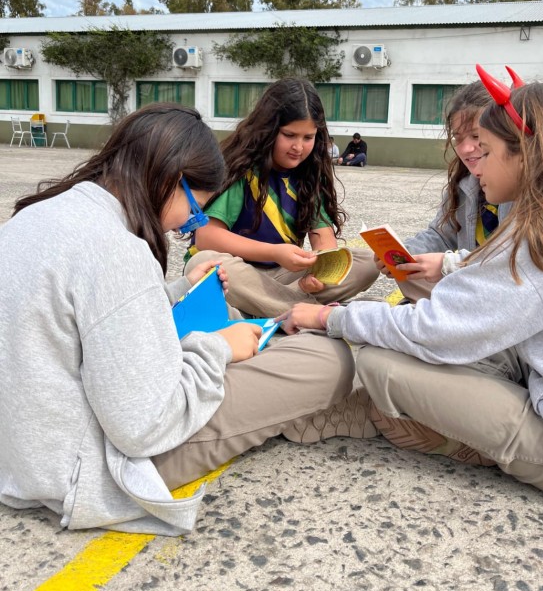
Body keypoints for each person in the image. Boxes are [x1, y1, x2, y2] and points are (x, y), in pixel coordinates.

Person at [0, 103, 356, 535]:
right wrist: (220, 348)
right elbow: (143, 427)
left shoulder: (40, 214)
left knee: (248, 330)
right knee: (322, 360)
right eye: (194, 209)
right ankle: (333, 409)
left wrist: (173, 292)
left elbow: (89, 319)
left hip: (20, 448)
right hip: (80, 466)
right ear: (170, 178)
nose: (186, 225)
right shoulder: (117, 251)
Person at [280, 69, 543, 508]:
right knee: (417, 331)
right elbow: (478, 287)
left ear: (525, 154)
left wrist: (328, 317)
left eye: (484, 148)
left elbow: (434, 327)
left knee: (382, 364)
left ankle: (457, 441)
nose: (473, 158)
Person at [184, 79, 379, 318]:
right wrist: (275, 253)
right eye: (289, 135)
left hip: (284, 278)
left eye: (308, 138)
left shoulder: (309, 176)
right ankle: (310, 312)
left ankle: (266, 308)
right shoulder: (242, 170)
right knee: (203, 264)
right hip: (240, 273)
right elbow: (206, 237)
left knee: (368, 262)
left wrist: (319, 273)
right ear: (268, 129)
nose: (298, 146)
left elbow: (324, 241)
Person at [391, 80, 512, 302]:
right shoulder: (463, 185)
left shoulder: (527, 192)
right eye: (458, 138)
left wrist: (447, 264)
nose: (465, 149)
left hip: (504, 294)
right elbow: (440, 234)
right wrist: (405, 252)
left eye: (477, 137)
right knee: (410, 269)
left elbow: (515, 264)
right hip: (469, 285)